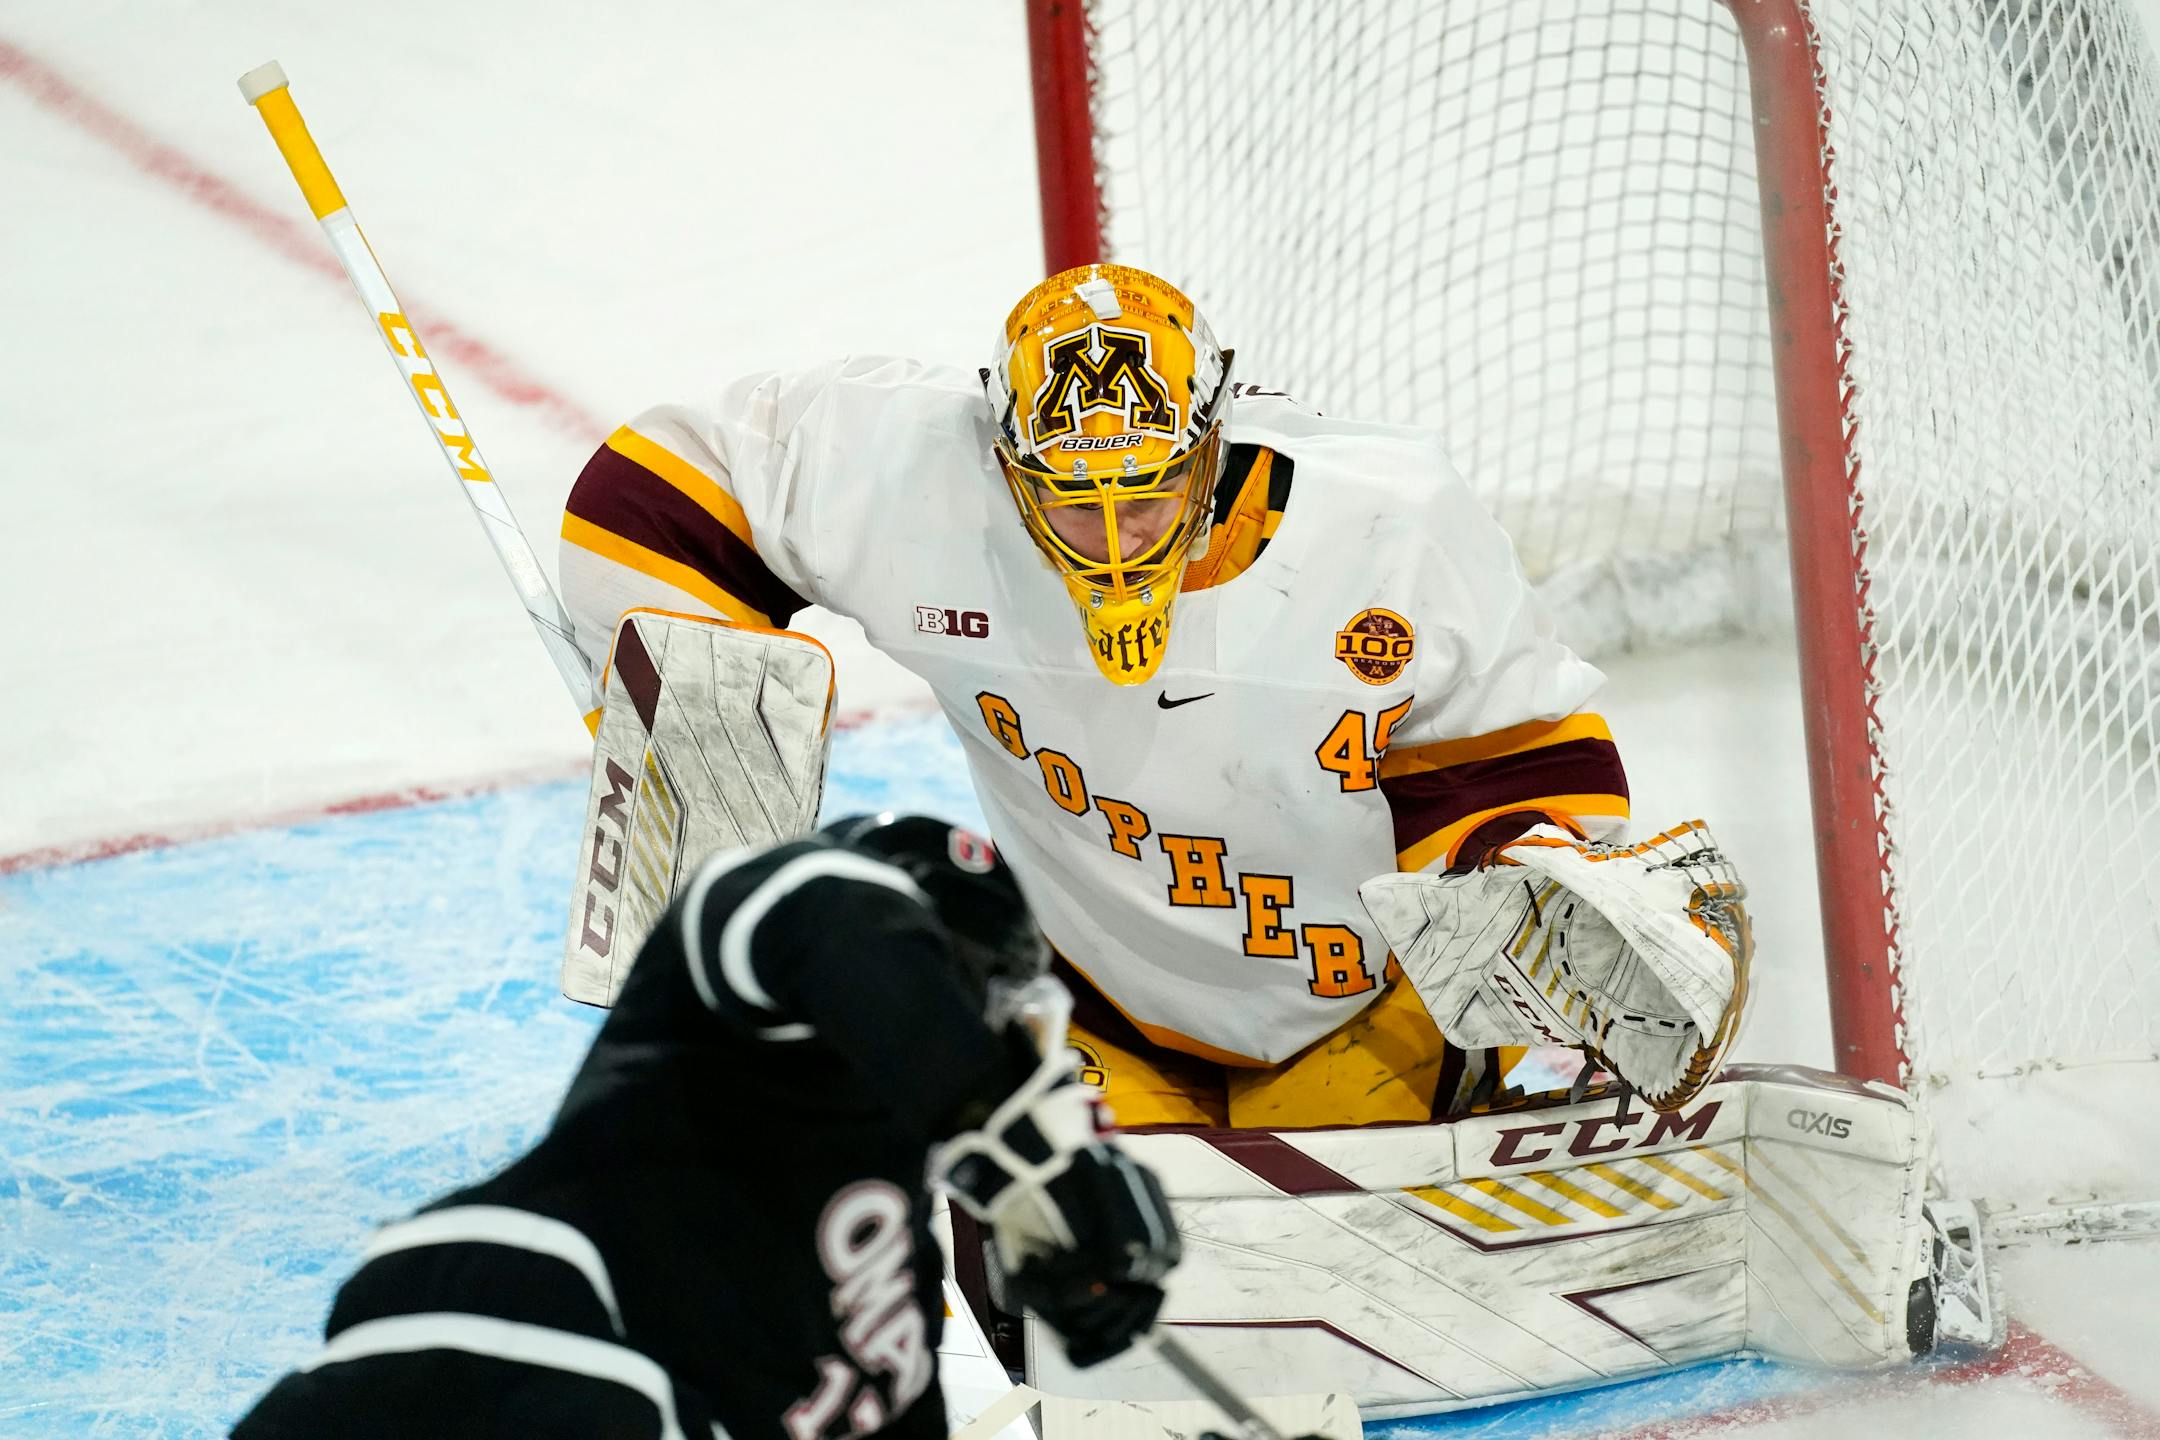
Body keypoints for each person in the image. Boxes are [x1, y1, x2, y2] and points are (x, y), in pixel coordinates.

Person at [558, 263, 1632, 1130]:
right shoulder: (921, 474)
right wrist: (698, 758)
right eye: (1074, 503)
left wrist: (1556, 928)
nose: (1117, 544)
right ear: (1008, 461)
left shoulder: (1391, 523)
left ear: (1211, 445)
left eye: (1150, 494)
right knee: (1100, 1294)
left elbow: (1517, 766)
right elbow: (653, 488)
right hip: (1094, 1006)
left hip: (1367, 1009)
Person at [231, 815, 1179, 1440]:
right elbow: (824, 914)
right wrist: (1004, 1137)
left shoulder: (891, 1278)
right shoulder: (741, 993)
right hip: (509, 1319)